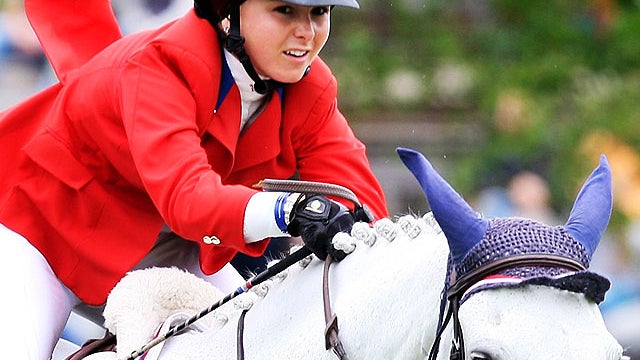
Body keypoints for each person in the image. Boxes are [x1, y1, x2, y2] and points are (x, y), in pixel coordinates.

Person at [0, 0, 388, 358]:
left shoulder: (311, 87)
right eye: (285, 10)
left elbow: (358, 199)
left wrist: (365, 234)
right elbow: (187, 200)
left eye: (319, 12)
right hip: (42, 235)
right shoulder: (162, 62)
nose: (307, 32)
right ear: (228, 11)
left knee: (259, 340)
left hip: (167, 248)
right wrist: (289, 210)